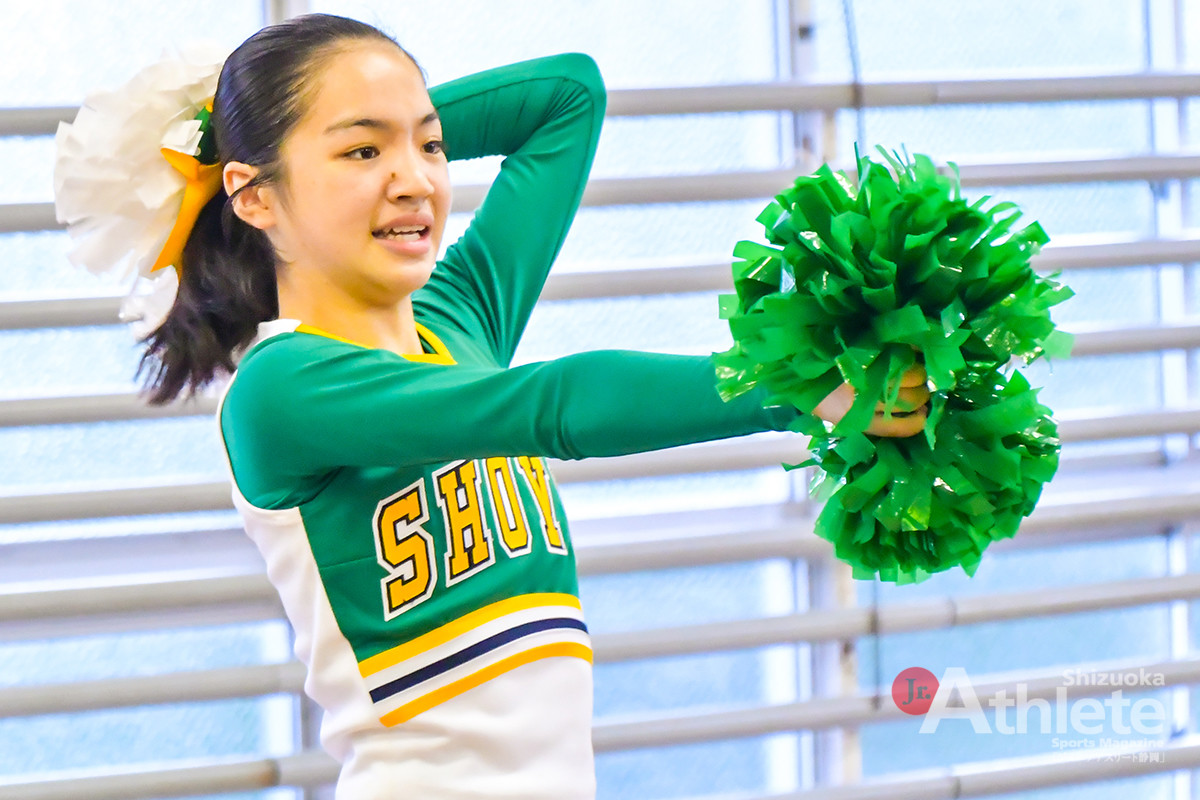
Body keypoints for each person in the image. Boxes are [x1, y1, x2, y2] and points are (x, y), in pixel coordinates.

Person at [58, 13, 927, 799]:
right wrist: (801, 390)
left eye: (429, 150)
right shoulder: (281, 393)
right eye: (363, 154)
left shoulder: (458, 321)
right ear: (254, 197)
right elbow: (552, 404)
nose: (413, 182)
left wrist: (378, 123)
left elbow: (567, 97)